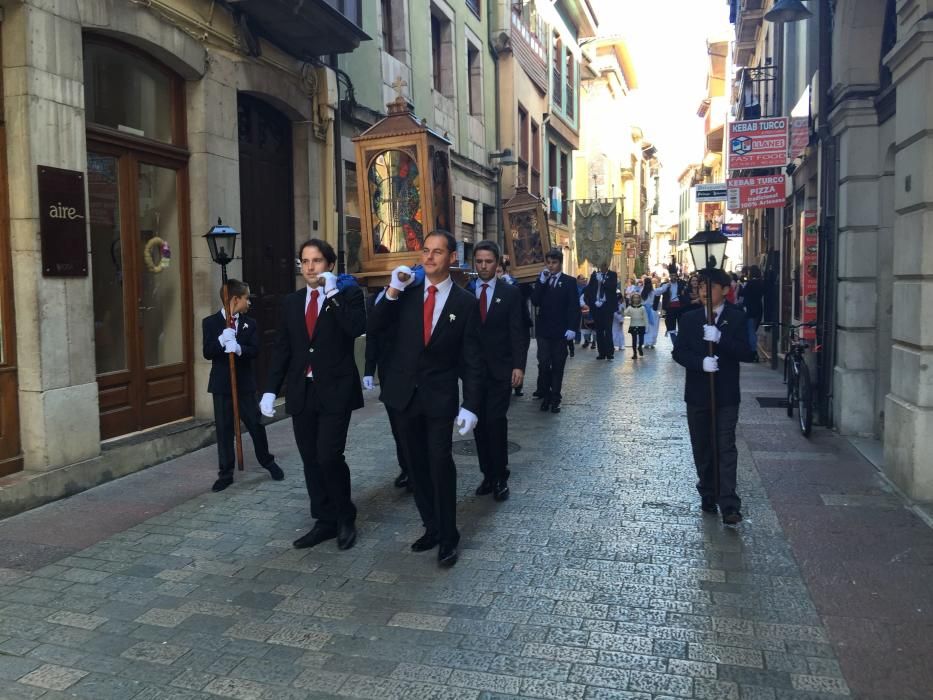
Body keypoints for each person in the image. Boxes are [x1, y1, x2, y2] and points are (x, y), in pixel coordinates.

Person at [368, 230, 483, 567]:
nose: (429, 257)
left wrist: (472, 404)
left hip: (439, 397)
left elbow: (472, 358)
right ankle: (431, 525)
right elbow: (374, 328)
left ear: (452, 259)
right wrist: (391, 290)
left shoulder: (465, 303)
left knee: (439, 463)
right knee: (415, 465)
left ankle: (449, 535)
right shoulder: (405, 293)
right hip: (403, 396)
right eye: (425, 251)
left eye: (437, 252)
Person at [260, 239, 366, 551]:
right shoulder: (291, 302)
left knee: (329, 456)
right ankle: (324, 519)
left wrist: (332, 294)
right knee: (310, 459)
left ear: (329, 265)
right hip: (301, 392)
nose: (309, 267)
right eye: (304, 261)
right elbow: (283, 349)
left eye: (316, 260)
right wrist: (269, 390)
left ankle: (345, 516)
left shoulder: (348, 295)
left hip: (335, 390)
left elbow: (356, 328)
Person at [672, 268, 755, 525]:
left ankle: (729, 502)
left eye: (711, 287)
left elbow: (748, 352)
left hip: (726, 394)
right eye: (701, 287)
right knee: (703, 445)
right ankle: (707, 490)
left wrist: (721, 339)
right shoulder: (689, 319)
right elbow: (679, 353)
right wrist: (700, 363)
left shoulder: (738, 318)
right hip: (697, 393)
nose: (705, 292)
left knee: (725, 446)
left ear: (725, 290)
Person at [202, 280, 283, 493]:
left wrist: (238, 348)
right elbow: (207, 352)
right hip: (221, 385)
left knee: (256, 424)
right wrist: (221, 341)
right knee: (224, 429)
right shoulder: (210, 323)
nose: (249, 302)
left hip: (244, 385)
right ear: (235, 299)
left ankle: (267, 461)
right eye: (246, 298)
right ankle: (225, 472)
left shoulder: (250, 323)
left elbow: (255, 350)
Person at [469, 241, 527, 502]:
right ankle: (487, 474)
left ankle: (501, 475)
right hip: (472, 373)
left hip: (501, 370)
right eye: (479, 261)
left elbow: (518, 331)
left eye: (488, 261)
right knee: (478, 425)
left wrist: (518, 366)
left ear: (497, 263)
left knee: (495, 422)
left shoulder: (510, 293)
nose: (483, 266)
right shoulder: (465, 292)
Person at [363, 269, 426, 492]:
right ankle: (406, 468)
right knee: (397, 425)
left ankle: (418, 469)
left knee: (412, 425)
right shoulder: (373, 300)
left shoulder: (408, 296)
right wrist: (369, 370)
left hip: (409, 371)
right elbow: (372, 335)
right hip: (387, 370)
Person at [530, 248, 580, 413]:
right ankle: (545, 395)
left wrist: (573, 328)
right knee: (544, 364)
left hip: (561, 331)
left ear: (560, 263)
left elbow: (574, 307)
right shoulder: (542, 280)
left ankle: (555, 398)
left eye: (554, 263)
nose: (551, 266)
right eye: (548, 263)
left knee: (558, 365)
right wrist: (542, 282)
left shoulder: (569, 281)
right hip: (544, 331)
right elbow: (535, 301)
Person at [584, 263, 620, 360]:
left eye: (605, 265)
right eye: (601, 265)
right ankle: (601, 353)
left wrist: (603, 281)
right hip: (597, 307)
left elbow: (612, 287)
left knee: (608, 330)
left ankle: (609, 352)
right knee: (599, 331)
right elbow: (589, 290)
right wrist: (591, 302)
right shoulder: (594, 275)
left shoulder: (612, 274)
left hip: (607, 306)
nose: (603, 267)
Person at [741, 265, 765, 360]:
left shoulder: (750, 283)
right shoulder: (761, 283)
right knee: (753, 330)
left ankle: (753, 352)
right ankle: (752, 351)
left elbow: (743, 293)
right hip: (759, 309)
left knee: (751, 331)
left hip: (750, 309)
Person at [624, 292, 647, 359]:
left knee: (641, 340)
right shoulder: (630, 307)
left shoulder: (642, 308)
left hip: (641, 325)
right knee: (634, 340)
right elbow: (625, 313)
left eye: (637, 298)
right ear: (632, 299)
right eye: (634, 298)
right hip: (633, 325)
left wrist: (647, 326)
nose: (636, 299)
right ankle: (635, 354)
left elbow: (645, 317)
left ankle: (640, 347)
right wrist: (623, 311)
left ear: (639, 299)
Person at [641, 277, 660, 349]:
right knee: (653, 327)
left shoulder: (641, 291)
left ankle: (646, 342)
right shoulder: (654, 291)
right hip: (652, 311)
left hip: (644, 311)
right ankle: (652, 342)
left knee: (646, 327)